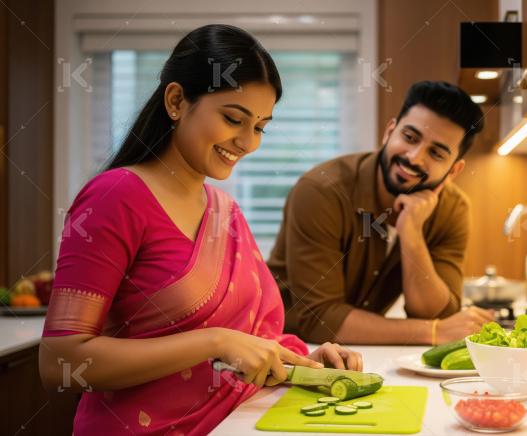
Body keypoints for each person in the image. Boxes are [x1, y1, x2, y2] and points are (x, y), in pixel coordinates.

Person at [39, 24, 360, 435]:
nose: (248, 142)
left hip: (236, 422)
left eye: (260, 126)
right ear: (176, 100)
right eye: (233, 118)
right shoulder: (115, 197)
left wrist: (310, 364)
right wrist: (214, 342)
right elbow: (60, 361)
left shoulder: (225, 211)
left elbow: (247, 344)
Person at [268, 81, 496, 346]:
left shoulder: (452, 208)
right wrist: (431, 332)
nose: (414, 157)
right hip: (286, 349)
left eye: (435, 153)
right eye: (410, 137)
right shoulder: (322, 191)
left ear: (454, 170)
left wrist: (411, 231)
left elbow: (437, 314)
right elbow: (319, 320)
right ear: (389, 132)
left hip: (362, 352)